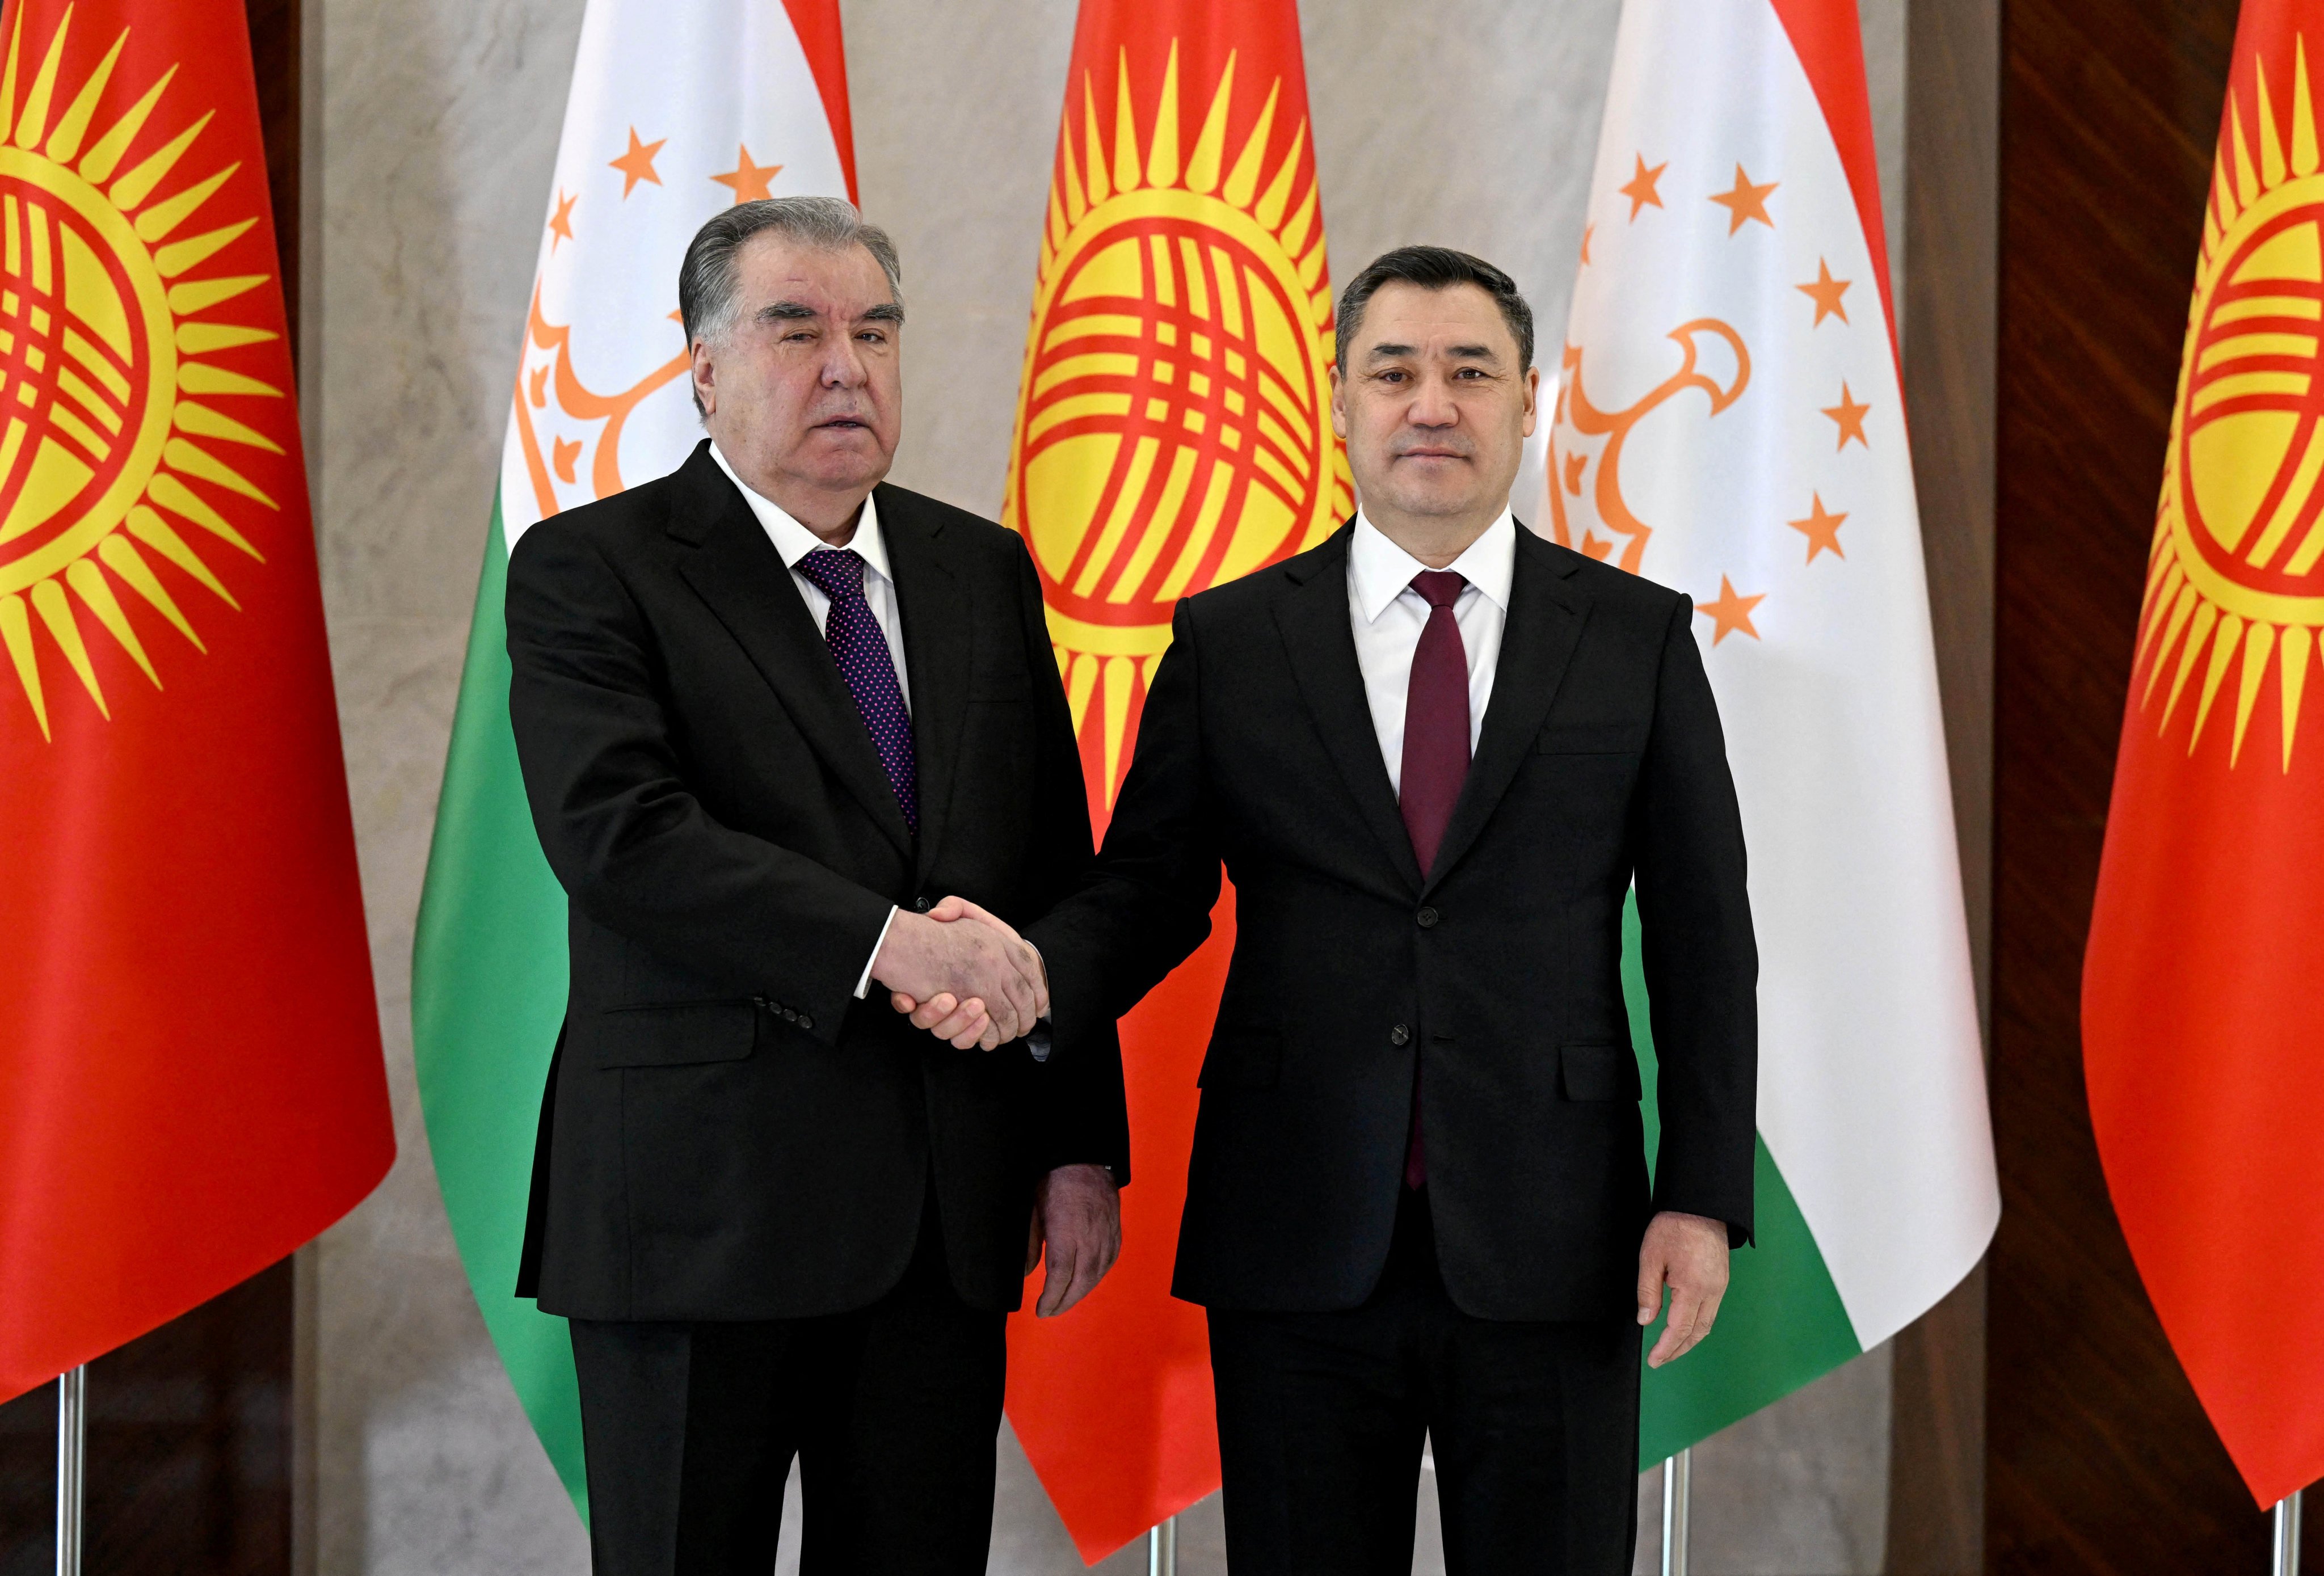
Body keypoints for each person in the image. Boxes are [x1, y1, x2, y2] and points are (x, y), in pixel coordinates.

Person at [906, 246, 1758, 1574]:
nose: (1432, 403)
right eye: (1394, 370)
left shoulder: (1632, 638)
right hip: (1295, 1225)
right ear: (1338, 398)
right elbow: (1146, 894)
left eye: (1469, 371)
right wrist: (1017, 972)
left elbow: (1705, 941)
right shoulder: (1234, 639)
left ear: (1527, 398)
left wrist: (1698, 1196)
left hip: (1554, 1231)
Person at [504, 196, 1126, 1576]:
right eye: (797, 328)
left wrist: (1075, 1138)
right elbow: (621, 835)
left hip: (940, 1218)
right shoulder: (592, 569)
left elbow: (1048, 866)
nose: (846, 365)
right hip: (696, 1212)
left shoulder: (980, 568)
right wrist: (889, 947)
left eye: (875, 331)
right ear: (703, 367)